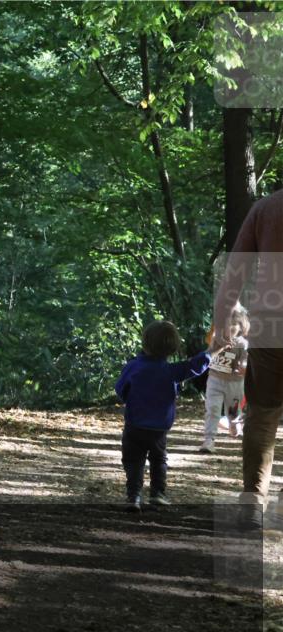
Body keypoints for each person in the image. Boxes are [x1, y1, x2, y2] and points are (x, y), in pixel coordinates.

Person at [212, 189, 283, 530]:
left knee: (263, 416)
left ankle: (253, 503)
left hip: (271, 323)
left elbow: (236, 269)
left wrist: (222, 316)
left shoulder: (266, 207)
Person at [115, 321, 214, 511]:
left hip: (134, 425)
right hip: (159, 428)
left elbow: (121, 389)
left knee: (133, 460)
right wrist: (211, 351)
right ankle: (157, 494)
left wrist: (131, 398)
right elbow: (194, 366)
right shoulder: (171, 371)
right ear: (172, 348)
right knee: (159, 459)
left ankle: (134, 496)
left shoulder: (133, 366)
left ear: (145, 343)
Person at [200, 307, 249, 453]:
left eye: (233, 325)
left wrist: (243, 366)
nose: (229, 328)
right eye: (226, 324)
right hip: (214, 379)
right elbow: (208, 352)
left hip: (234, 383)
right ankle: (209, 440)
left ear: (241, 327)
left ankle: (233, 424)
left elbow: (245, 360)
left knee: (233, 411)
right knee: (213, 408)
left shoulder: (241, 344)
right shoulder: (216, 339)